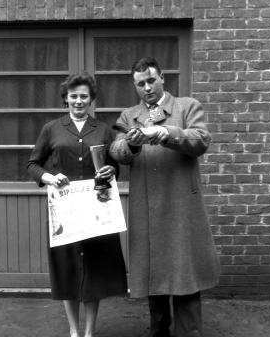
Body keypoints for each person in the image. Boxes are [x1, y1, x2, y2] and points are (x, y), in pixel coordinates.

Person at [110, 57, 220, 337]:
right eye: (140, 84)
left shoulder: (187, 106)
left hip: (181, 206)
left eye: (150, 80)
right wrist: (131, 145)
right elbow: (117, 152)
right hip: (147, 209)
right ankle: (159, 332)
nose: (146, 88)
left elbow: (200, 141)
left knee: (185, 278)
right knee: (153, 280)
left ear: (162, 79)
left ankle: (189, 333)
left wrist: (164, 132)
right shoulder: (128, 116)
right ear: (135, 87)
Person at [27, 73, 127, 337]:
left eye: (84, 96)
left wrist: (111, 170)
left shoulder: (104, 129)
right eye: (74, 96)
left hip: (96, 210)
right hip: (65, 211)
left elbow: (115, 166)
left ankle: (90, 331)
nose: (79, 101)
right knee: (67, 270)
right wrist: (49, 177)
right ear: (66, 99)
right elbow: (32, 164)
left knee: (93, 271)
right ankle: (73, 331)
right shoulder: (52, 128)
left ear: (91, 99)